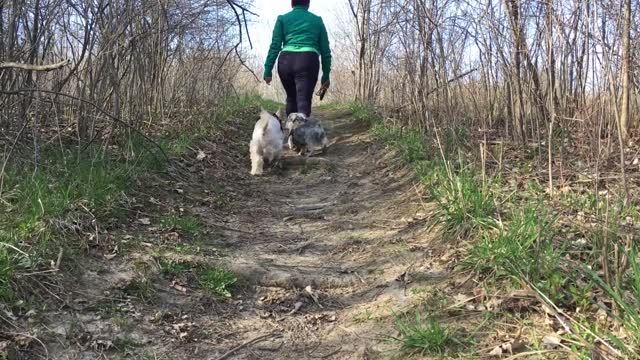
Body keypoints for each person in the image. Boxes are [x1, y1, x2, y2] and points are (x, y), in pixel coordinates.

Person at [263, 0, 332, 117]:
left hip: (286, 61)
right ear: (308, 3)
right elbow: (325, 51)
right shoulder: (317, 20)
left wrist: (268, 69)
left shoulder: (282, 19)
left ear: (292, 3)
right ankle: (300, 133)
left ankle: (292, 133)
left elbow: (275, 46)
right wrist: (326, 75)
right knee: (303, 101)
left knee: (291, 98)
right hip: (308, 61)